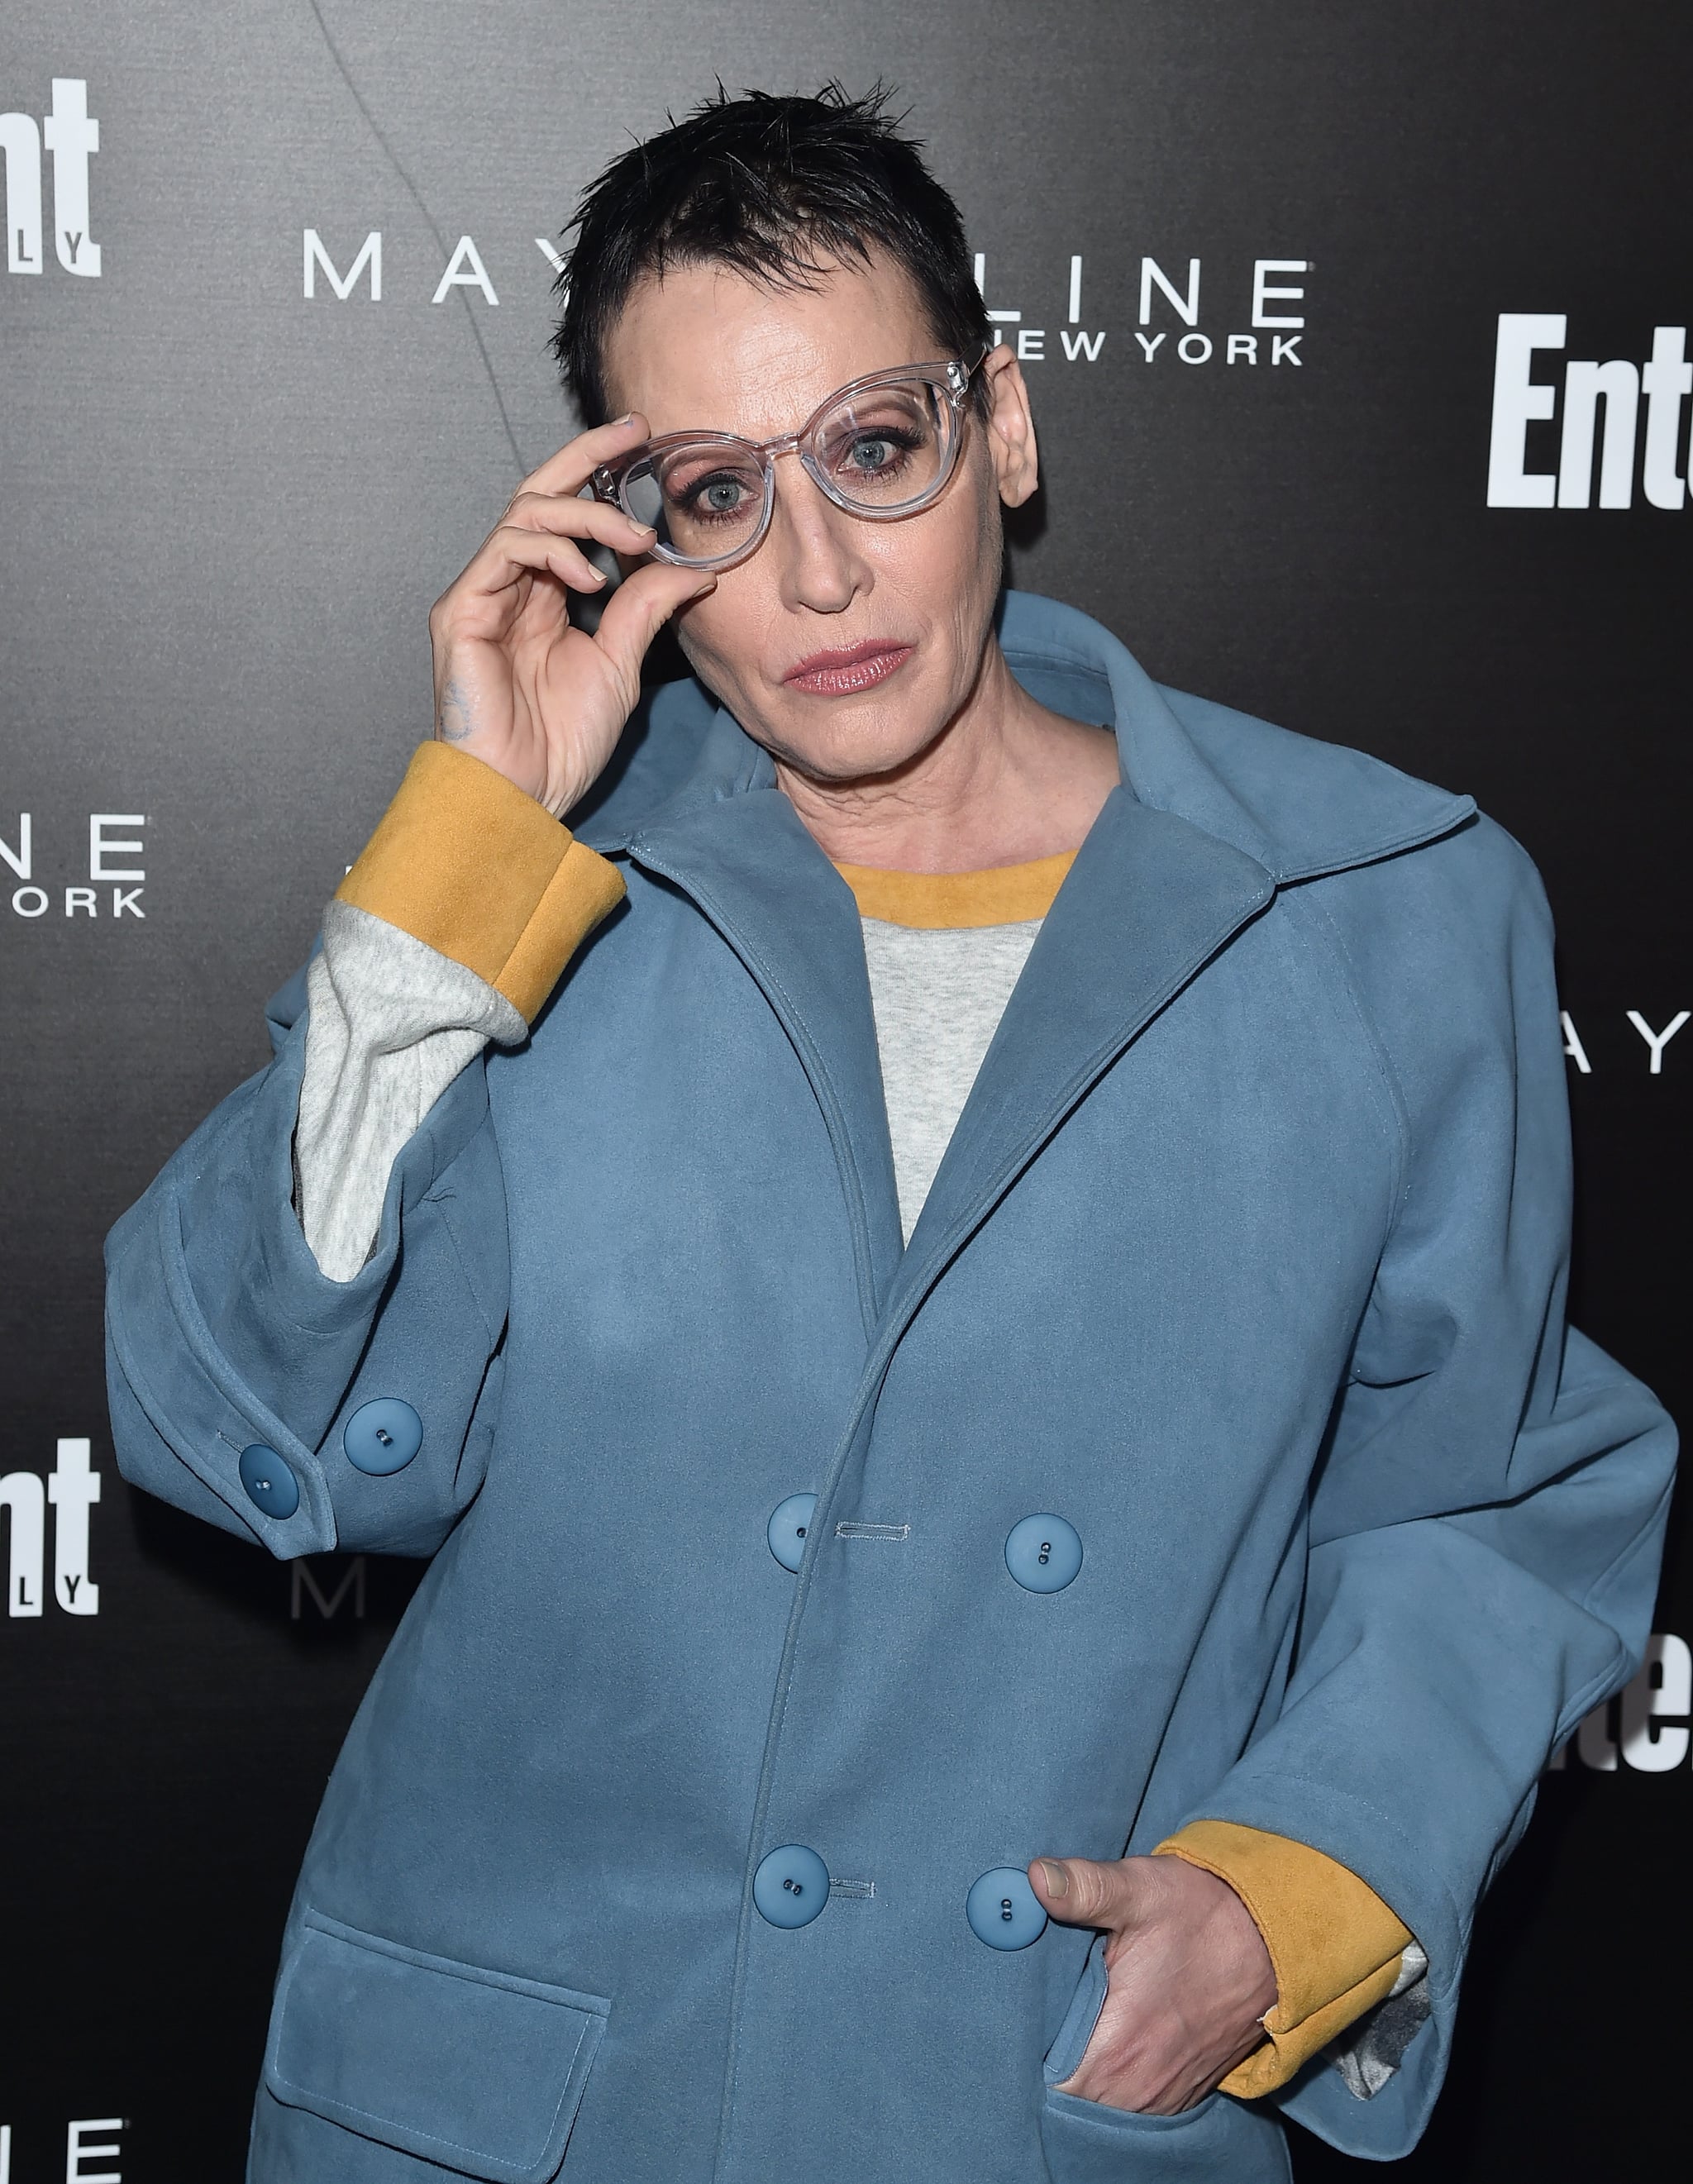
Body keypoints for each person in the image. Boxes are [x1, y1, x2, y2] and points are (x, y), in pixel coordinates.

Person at [104, 84, 1673, 2184]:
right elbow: (252, 1433)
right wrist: (463, 855)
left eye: (871, 446)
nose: (819, 570)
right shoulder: (549, 892)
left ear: (999, 426)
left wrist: (1298, 1896)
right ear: (630, 533)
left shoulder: (1382, 909)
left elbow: (1484, 1497)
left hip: (1002, 2108)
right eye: (714, 491)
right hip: (501, 2118)